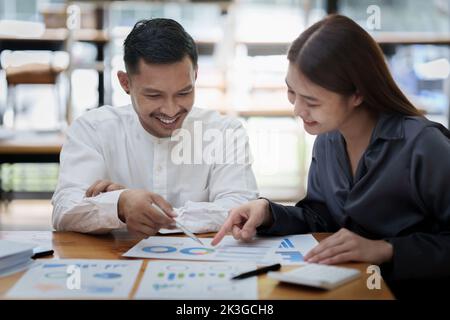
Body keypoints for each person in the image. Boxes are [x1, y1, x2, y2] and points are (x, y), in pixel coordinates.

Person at [212, 14, 450, 298]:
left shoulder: (424, 145)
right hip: (345, 290)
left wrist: (385, 249)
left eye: (311, 101)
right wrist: (268, 213)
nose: (298, 109)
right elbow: (320, 219)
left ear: (357, 94)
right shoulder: (328, 139)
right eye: (292, 92)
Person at [52, 18, 258, 237]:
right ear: (125, 83)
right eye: (154, 95)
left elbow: (241, 208)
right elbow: (65, 210)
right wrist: (122, 204)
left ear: (195, 76)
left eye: (183, 93)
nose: (170, 110)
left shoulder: (225, 132)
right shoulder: (92, 130)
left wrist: (119, 207)